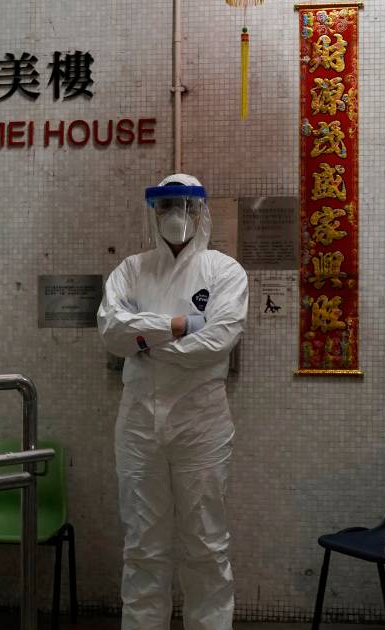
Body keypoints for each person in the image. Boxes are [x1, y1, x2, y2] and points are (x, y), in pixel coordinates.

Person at [97, 174, 249, 629]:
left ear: (201, 212)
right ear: (154, 212)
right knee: (142, 547)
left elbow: (217, 341)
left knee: (206, 545)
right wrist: (180, 325)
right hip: (138, 424)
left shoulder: (225, 271)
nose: (175, 215)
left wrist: (145, 341)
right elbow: (112, 333)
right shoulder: (131, 269)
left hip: (201, 424)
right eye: (165, 206)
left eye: (185, 205)